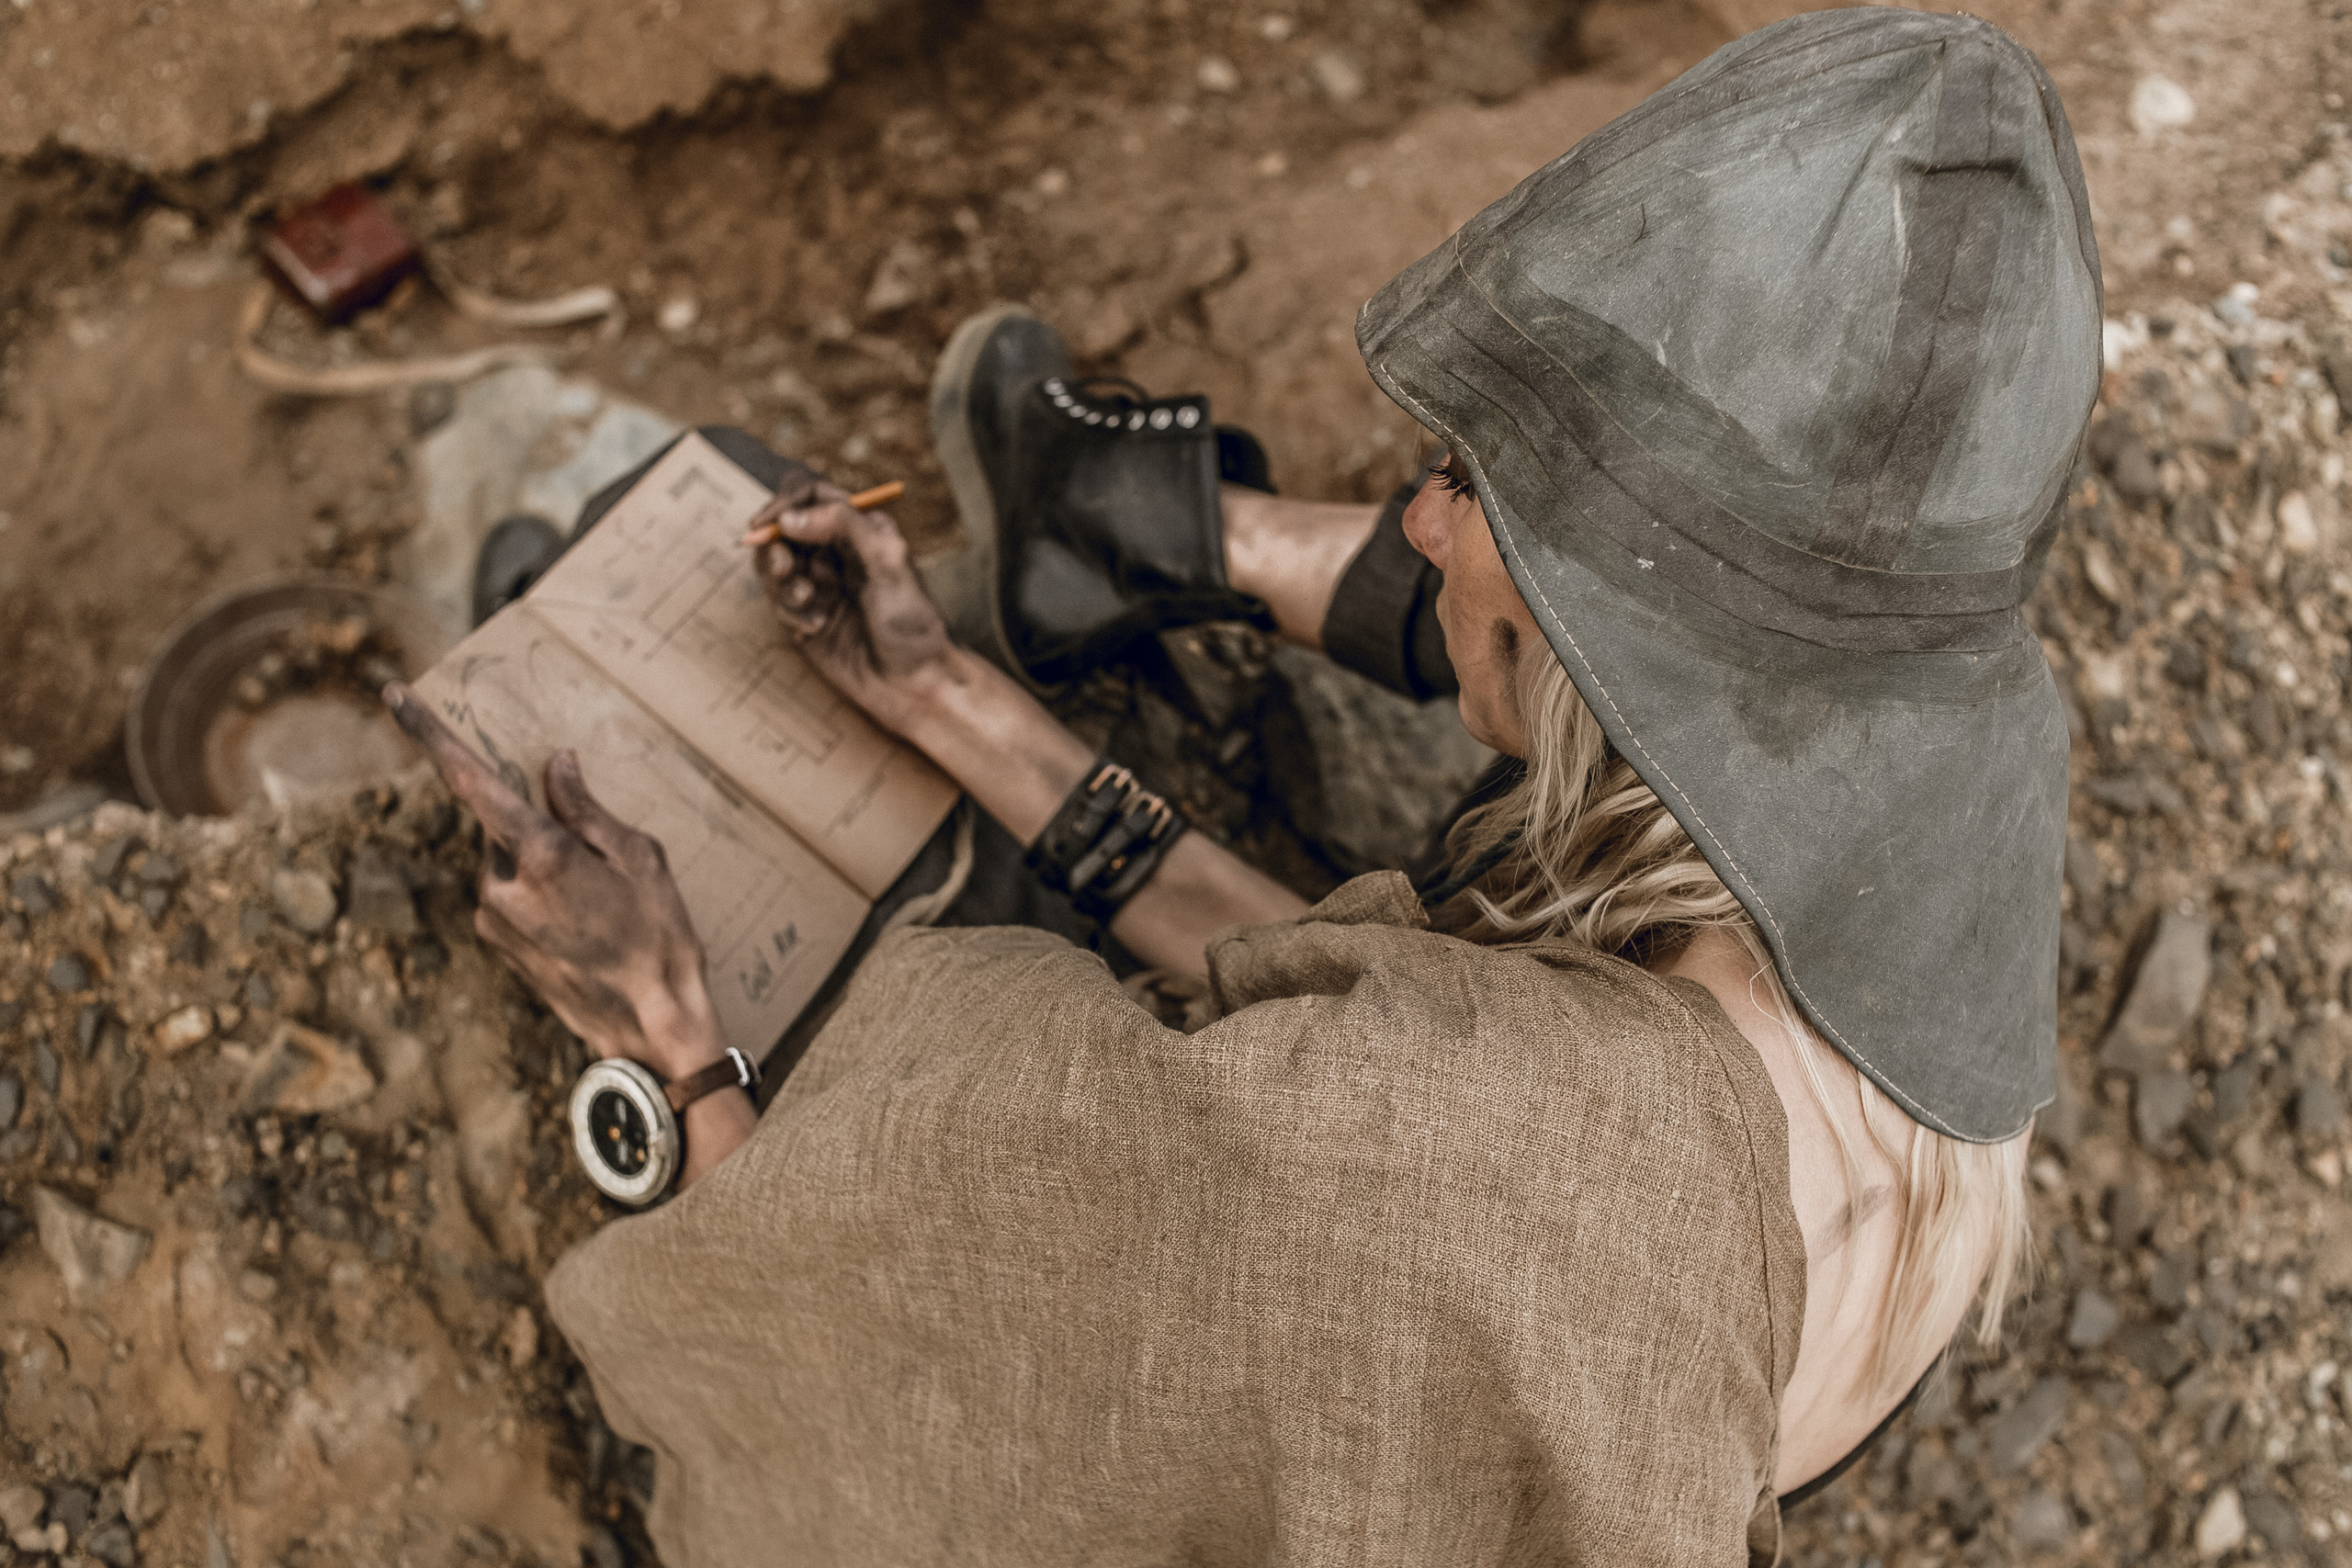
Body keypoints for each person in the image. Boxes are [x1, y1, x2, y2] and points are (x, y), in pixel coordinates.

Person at [385, 8, 2098, 1561]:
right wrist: (950, 698)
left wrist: (668, 1035)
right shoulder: (1916, 899)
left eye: (1474, 488)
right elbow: (1409, 1052)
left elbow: (868, 1352)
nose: (1419, 521)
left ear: (1641, 658)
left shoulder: (1404, 1181)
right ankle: (1080, 561)